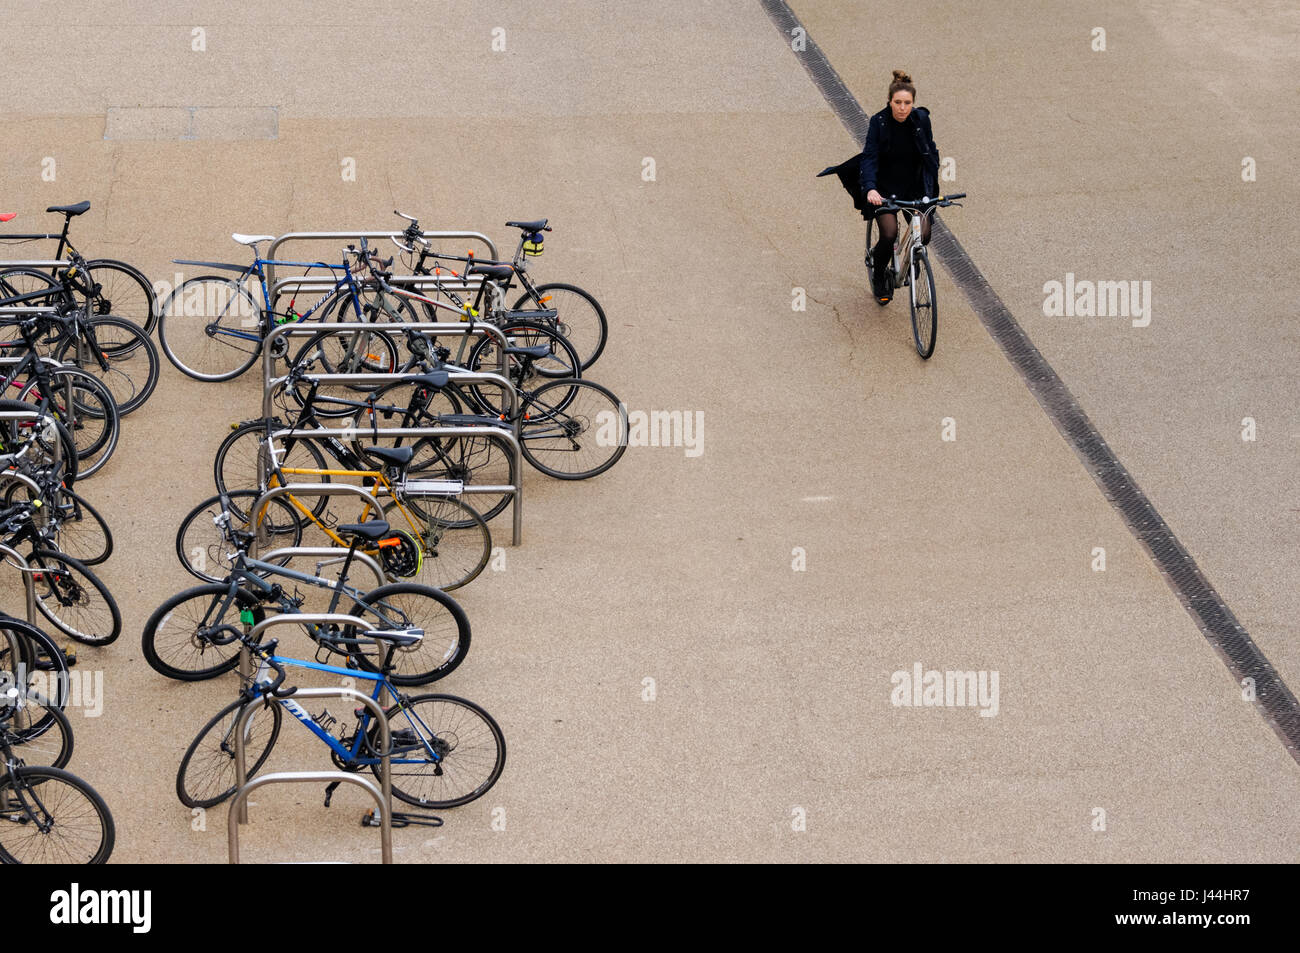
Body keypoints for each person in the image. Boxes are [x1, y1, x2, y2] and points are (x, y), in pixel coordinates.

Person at [860, 70, 940, 302]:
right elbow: (869, 157)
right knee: (889, 233)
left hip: (914, 186)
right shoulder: (879, 122)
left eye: (907, 103)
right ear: (890, 101)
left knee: (923, 234)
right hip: (884, 188)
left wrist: (930, 191)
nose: (902, 108)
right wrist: (871, 188)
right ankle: (879, 274)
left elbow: (931, 154)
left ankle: (912, 258)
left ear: (913, 103)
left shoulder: (922, 120)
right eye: (898, 102)